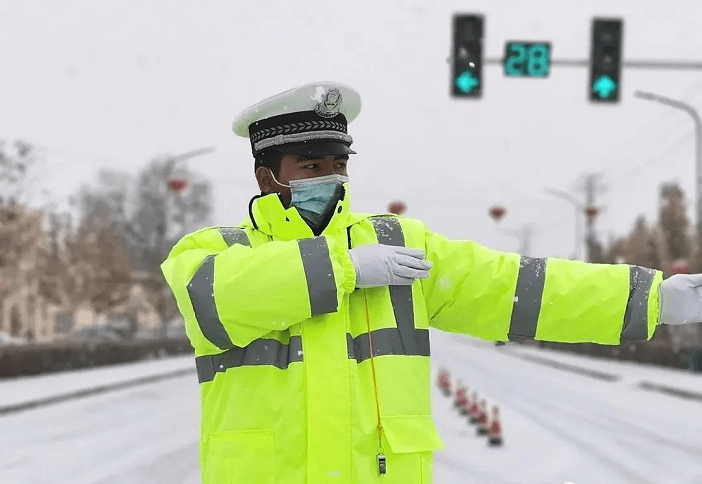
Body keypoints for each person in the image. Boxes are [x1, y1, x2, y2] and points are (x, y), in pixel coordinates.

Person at [161, 81, 702, 484]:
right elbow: (215, 301)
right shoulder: (215, 252)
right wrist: (344, 267)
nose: (330, 177)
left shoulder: (399, 243)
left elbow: (513, 287)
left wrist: (652, 298)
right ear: (267, 176)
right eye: (309, 165)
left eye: (338, 163)